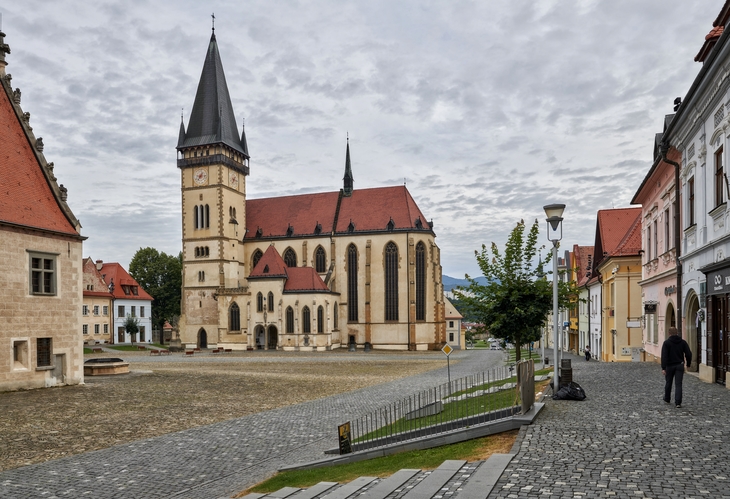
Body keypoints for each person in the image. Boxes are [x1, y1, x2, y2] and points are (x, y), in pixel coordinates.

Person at [661, 327, 692, 408]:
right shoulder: (682, 342)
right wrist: (688, 364)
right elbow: (688, 353)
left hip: (669, 366)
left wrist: (663, 368)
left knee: (668, 382)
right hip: (679, 365)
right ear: (677, 333)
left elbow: (664, 356)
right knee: (678, 384)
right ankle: (678, 402)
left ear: (669, 333)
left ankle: (667, 398)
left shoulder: (666, 343)